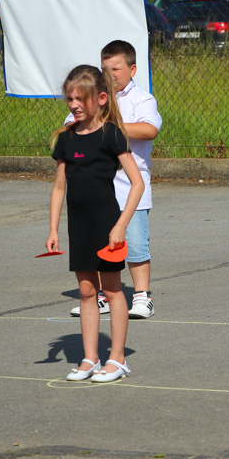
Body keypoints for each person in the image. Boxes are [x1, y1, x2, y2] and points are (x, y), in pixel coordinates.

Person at [47, 65, 144, 382]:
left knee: (114, 291)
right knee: (87, 292)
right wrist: (53, 229)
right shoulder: (66, 139)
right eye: (69, 98)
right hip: (79, 226)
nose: (73, 104)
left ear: (101, 99)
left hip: (106, 225)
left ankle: (117, 359)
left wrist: (120, 225)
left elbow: (137, 184)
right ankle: (90, 358)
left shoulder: (112, 134)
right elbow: (59, 187)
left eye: (80, 98)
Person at [68, 41, 162, 319]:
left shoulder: (142, 100)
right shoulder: (93, 97)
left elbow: (149, 129)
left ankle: (142, 296)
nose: (109, 74)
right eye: (104, 69)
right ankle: (104, 295)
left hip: (130, 189)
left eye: (116, 69)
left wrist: (108, 127)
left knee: (134, 243)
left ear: (132, 69)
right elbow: (72, 125)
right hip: (98, 191)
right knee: (100, 244)